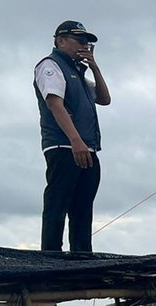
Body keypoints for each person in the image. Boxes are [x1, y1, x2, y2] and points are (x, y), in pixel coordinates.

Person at [34, 20, 110, 252]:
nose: (84, 46)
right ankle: (51, 259)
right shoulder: (51, 65)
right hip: (63, 146)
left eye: (87, 42)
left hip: (88, 148)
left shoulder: (78, 72)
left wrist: (95, 66)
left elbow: (104, 99)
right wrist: (75, 140)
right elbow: (55, 104)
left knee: (82, 208)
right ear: (60, 40)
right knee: (57, 205)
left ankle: (82, 256)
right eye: (79, 40)